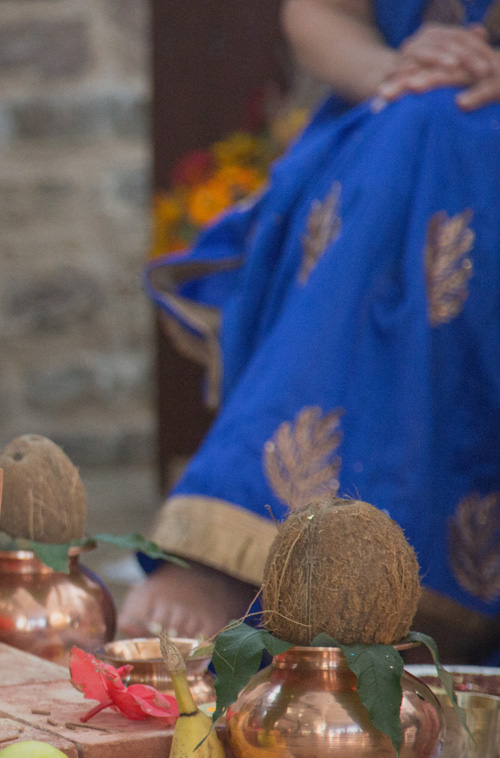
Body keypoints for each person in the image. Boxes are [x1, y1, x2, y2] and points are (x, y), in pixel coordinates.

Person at [122, 0, 500, 660]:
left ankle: (255, 559)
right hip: (393, 122)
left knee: (441, 137)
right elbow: (320, 13)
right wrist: (398, 68)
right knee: (416, 134)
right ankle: (283, 560)